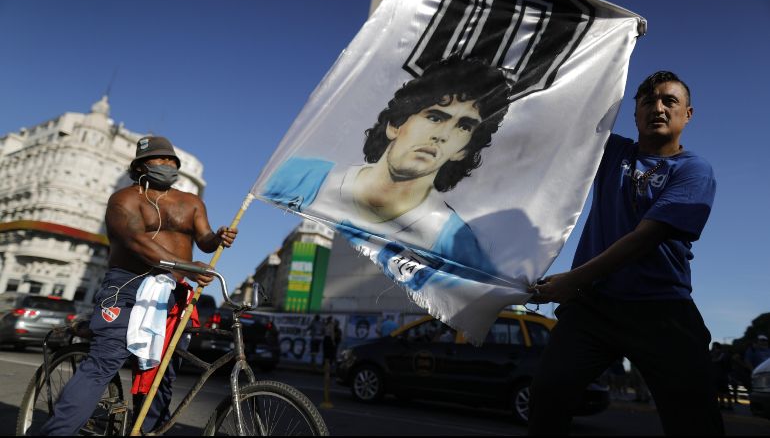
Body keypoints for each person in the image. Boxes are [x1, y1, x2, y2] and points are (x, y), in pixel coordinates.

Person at [527, 71, 724, 435]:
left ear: (688, 114)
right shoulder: (611, 151)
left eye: (670, 101)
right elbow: (570, 111)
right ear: (634, 114)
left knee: (695, 419)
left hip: (661, 308)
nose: (658, 108)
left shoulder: (695, 171)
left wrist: (572, 279)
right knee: (548, 394)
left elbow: (644, 238)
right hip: (593, 305)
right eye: (647, 101)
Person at [41, 136, 237, 435]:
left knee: (162, 371)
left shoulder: (191, 202)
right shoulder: (124, 200)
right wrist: (186, 266)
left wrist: (218, 237)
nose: (168, 165)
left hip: (173, 292)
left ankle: (143, 431)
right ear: (141, 166)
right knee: (104, 363)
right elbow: (135, 241)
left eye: (172, 161)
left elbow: (204, 240)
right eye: (160, 160)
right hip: (126, 286)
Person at [261, 57, 511, 274]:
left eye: (464, 126)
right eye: (435, 117)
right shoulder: (300, 177)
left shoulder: (458, 245)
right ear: (395, 124)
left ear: (464, 150)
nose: (443, 135)